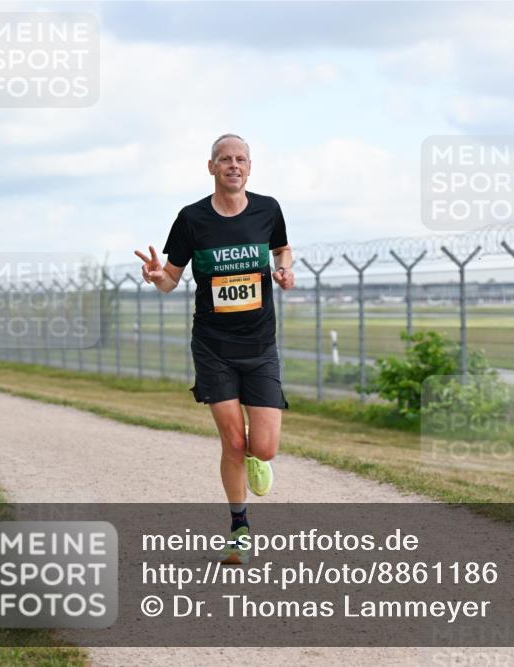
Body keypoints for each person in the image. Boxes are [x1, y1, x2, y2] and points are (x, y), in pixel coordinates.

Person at [134, 133, 294, 564]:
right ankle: (239, 526)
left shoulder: (268, 209)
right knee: (231, 438)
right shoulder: (191, 219)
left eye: (241, 159)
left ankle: (257, 460)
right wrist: (156, 277)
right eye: (225, 159)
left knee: (262, 446)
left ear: (250, 167)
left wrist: (284, 270)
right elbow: (170, 281)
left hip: (260, 345)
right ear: (211, 168)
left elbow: (281, 248)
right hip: (213, 345)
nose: (233, 165)